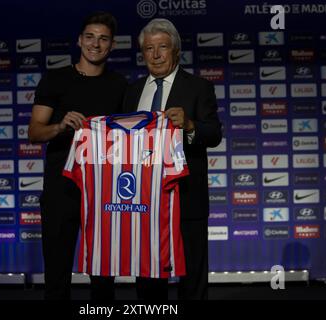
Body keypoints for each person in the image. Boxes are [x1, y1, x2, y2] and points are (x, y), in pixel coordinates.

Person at [29, 11, 127, 300]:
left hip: (105, 190)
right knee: (57, 274)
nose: (95, 44)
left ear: (112, 46)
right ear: (79, 40)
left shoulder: (121, 86)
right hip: (62, 189)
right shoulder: (55, 79)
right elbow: (34, 132)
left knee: (104, 276)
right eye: (90, 37)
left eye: (103, 39)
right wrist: (60, 126)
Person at [122, 18, 222, 300]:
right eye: (148, 49)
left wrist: (190, 125)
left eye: (162, 47)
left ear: (176, 51)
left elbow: (214, 133)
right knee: (149, 278)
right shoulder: (132, 91)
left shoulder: (199, 87)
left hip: (186, 196)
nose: (155, 55)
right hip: (143, 200)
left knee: (192, 275)